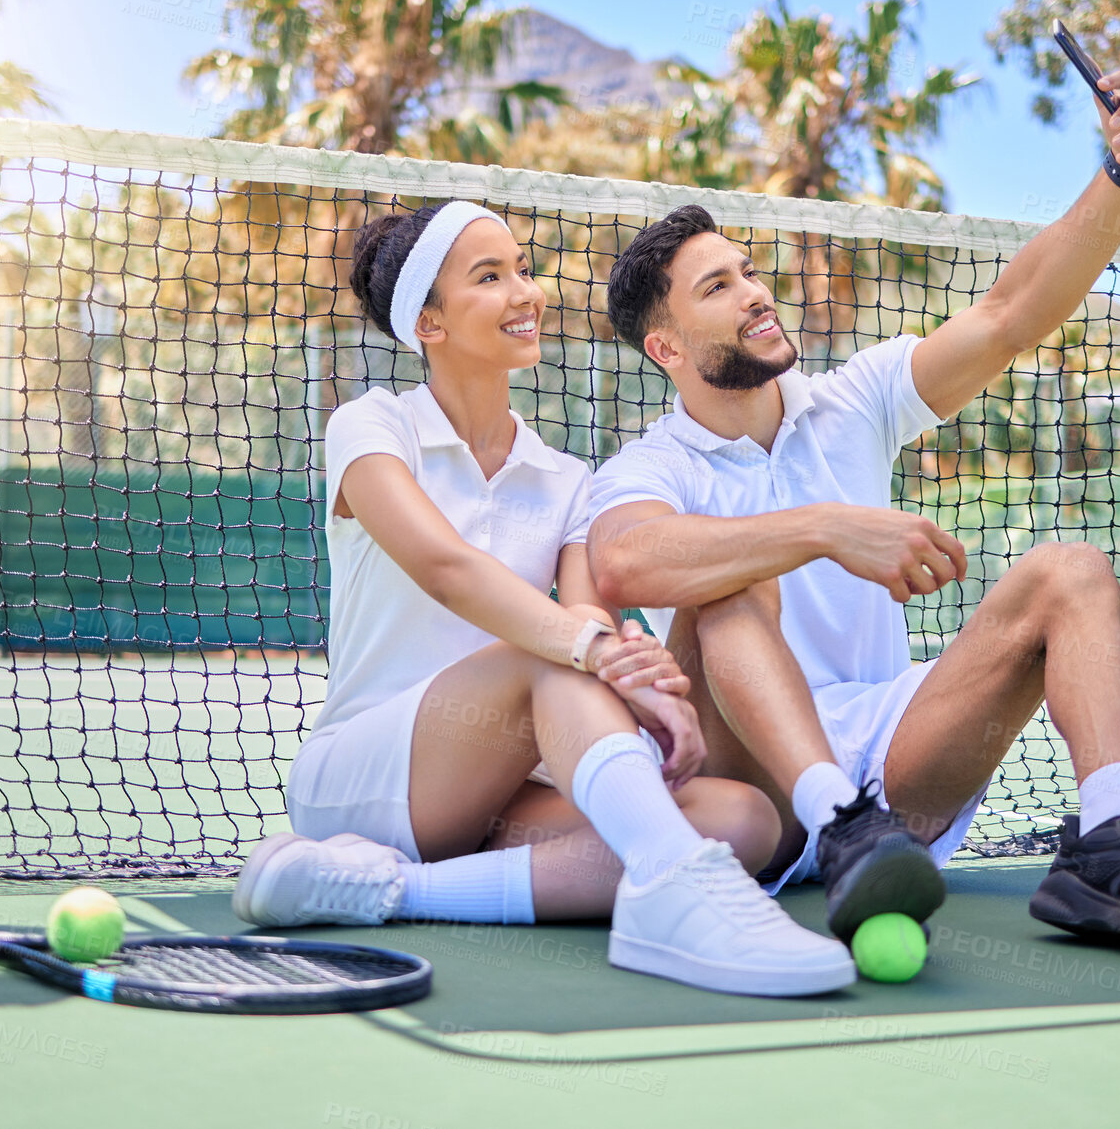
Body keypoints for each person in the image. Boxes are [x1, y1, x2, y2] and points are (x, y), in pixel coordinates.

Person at [587, 67, 1120, 958]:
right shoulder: (651, 463)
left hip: (897, 761)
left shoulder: (853, 399)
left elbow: (1011, 314)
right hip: (751, 788)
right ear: (666, 347)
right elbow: (626, 562)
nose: (754, 291)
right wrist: (825, 527)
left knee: (1072, 572)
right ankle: (834, 816)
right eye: (717, 288)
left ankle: (1110, 843)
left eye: (748, 272)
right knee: (729, 585)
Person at [232, 200, 855, 996]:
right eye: (489, 278)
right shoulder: (372, 424)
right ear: (429, 323)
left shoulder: (567, 479)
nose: (526, 292)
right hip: (366, 776)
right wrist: (591, 649)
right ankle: (672, 892)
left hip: (505, 787)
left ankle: (385, 890)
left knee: (743, 820)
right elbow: (445, 567)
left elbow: (590, 615)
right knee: (551, 660)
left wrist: (638, 680)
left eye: (523, 269)